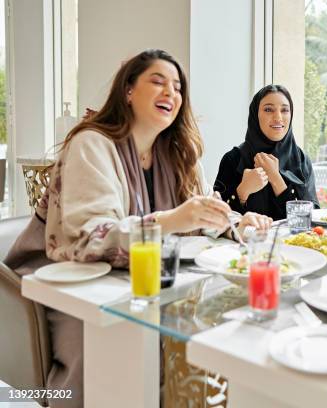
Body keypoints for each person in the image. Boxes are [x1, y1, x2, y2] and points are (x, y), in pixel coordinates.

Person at [4, 49, 271, 408]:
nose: (170, 93)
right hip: (67, 282)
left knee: (215, 331)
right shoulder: (91, 144)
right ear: (128, 90)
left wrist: (237, 223)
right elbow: (90, 236)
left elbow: (201, 212)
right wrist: (175, 220)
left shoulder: (178, 153)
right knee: (111, 350)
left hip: (140, 280)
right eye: (157, 82)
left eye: (177, 87)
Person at [214, 85, 319, 220]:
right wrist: (242, 192)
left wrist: (276, 179)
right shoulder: (233, 159)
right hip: (248, 241)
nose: (278, 117)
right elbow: (215, 219)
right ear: (255, 115)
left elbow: (312, 218)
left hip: (291, 241)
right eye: (268, 109)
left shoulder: (301, 160)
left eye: (285, 110)